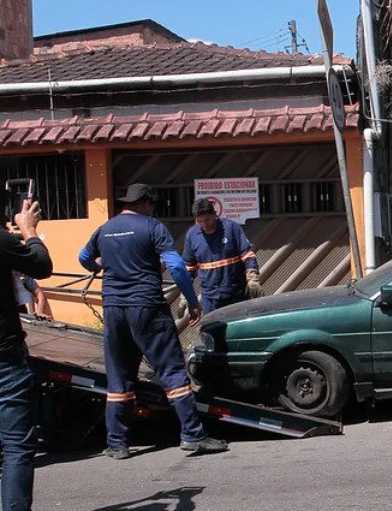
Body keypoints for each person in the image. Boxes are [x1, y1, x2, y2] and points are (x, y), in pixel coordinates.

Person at [79, 184, 228, 458]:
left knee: (119, 376)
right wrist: (192, 303)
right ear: (145, 203)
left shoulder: (105, 229)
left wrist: (104, 265)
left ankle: (117, 444)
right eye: (152, 205)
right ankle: (193, 435)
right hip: (147, 307)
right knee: (172, 371)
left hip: (114, 309)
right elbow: (175, 266)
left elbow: (84, 258)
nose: (153, 209)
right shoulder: (152, 226)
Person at [0, 198, 53, 511]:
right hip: (5, 357)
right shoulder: (3, 241)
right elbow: (41, 265)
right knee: (17, 447)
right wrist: (30, 229)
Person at [182, 198, 263, 314]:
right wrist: (185, 295)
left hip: (236, 295)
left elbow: (248, 255)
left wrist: (252, 278)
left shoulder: (231, 228)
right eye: (199, 221)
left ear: (215, 215)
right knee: (212, 330)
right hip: (211, 299)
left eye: (207, 220)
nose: (204, 225)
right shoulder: (192, 235)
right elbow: (188, 268)